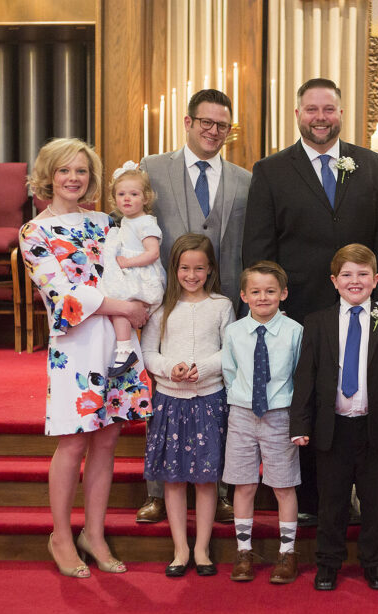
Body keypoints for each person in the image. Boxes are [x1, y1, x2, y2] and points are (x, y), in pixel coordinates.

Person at [243, 77, 378, 523]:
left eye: (328, 109)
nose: (320, 118)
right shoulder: (271, 170)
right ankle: (310, 499)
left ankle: (352, 497)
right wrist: (268, 307)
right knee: (309, 401)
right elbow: (259, 245)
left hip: (360, 308)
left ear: (341, 114)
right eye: (311, 109)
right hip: (300, 309)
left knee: (355, 401)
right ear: (297, 114)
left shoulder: (370, 164)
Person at [20, 137, 152, 578]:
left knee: (109, 438)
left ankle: (92, 533)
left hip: (118, 340)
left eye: (81, 170)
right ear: (48, 175)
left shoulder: (105, 221)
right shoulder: (34, 232)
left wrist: (140, 303)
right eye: (64, 171)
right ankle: (60, 534)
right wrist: (125, 307)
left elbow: (131, 269)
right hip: (76, 343)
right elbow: (63, 295)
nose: (73, 178)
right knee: (74, 439)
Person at [137, 88, 251, 524]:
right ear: (187, 122)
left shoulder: (244, 179)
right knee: (160, 393)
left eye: (222, 125)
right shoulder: (152, 168)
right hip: (165, 299)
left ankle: (218, 489)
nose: (213, 131)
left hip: (220, 301)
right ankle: (155, 489)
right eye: (206, 122)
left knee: (221, 400)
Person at [291, 244, 378, 591]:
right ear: (334, 281)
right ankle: (328, 563)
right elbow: (306, 377)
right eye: (347, 274)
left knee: (374, 502)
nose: (355, 281)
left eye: (363, 274)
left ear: (376, 280)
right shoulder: (317, 323)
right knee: (331, 502)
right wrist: (300, 424)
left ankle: (375, 563)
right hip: (332, 429)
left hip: (373, 429)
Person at [140, 233, 235, 578]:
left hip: (209, 399)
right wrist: (171, 368)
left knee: (207, 479)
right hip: (170, 401)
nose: (191, 275)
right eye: (184, 268)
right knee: (174, 479)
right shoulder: (162, 309)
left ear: (210, 270)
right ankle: (180, 548)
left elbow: (231, 349)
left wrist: (204, 368)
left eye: (199, 268)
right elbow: (149, 353)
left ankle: (202, 548)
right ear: (174, 268)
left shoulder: (222, 306)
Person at [221, 261, 304, 583]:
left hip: (280, 414)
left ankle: (288, 553)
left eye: (270, 291)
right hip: (242, 413)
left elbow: (299, 373)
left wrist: (296, 417)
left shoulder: (295, 331)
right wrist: (239, 397)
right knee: (243, 484)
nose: (263, 297)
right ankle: (243, 552)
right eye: (255, 291)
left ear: (283, 294)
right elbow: (230, 371)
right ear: (244, 295)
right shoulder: (234, 332)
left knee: (283, 485)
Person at [100, 161, 167, 377]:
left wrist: (127, 262)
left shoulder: (145, 222)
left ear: (145, 198)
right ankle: (123, 351)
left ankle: (124, 352)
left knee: (121, 310)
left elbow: (152, 253)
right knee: (119, 311)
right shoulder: (125, 221)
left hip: (142, 278)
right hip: (130, 277)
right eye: (121, 194)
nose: (127, 199)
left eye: (134, 194)